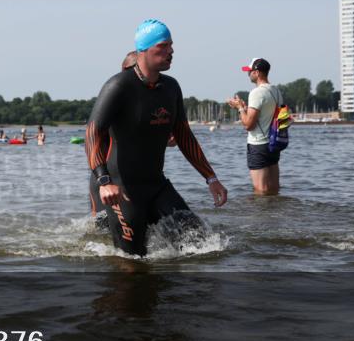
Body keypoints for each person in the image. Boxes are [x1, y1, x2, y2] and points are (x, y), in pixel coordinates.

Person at [86, 19, 228, 257]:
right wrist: (104, 181)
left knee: (202, 243)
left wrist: (211, 178)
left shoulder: (171, 87)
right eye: (163, 45)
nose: (171, 51)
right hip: (121, 188)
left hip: (156, 185)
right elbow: (92, 134)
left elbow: (184, 136)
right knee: (133, 260)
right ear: (144, 49)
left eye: (171, 45)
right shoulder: (119, 86)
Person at [226, 58, 283, 196]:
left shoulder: (256, 92)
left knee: (261, 190)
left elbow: (248, 125)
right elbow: (265, 115)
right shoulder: (276, 91)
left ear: (257, 72)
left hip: (258, 145)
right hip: (273, 143)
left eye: (250, 71)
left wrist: (240, 108)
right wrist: (245, 108)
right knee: (274, 188)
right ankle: (276, 215)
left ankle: (261, 216)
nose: (248, 74)